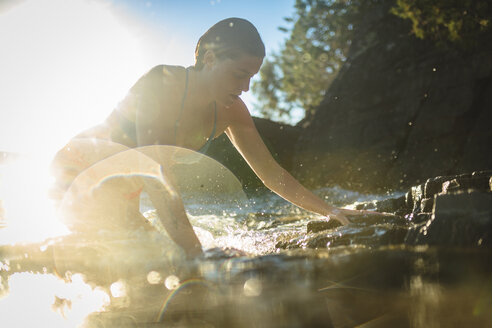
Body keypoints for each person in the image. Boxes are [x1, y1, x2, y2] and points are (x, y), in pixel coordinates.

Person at [51, 17, 379, 259]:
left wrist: (330, 210)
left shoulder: (233, 111)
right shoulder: (163, 83)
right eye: (239, 75)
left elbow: (271, 173)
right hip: (77, 172)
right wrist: (195, 252)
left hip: (124, 186)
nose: (246, 87)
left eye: (251, 77)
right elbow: (155, 173)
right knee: (153, 261)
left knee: (151, 261)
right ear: (209, 58)